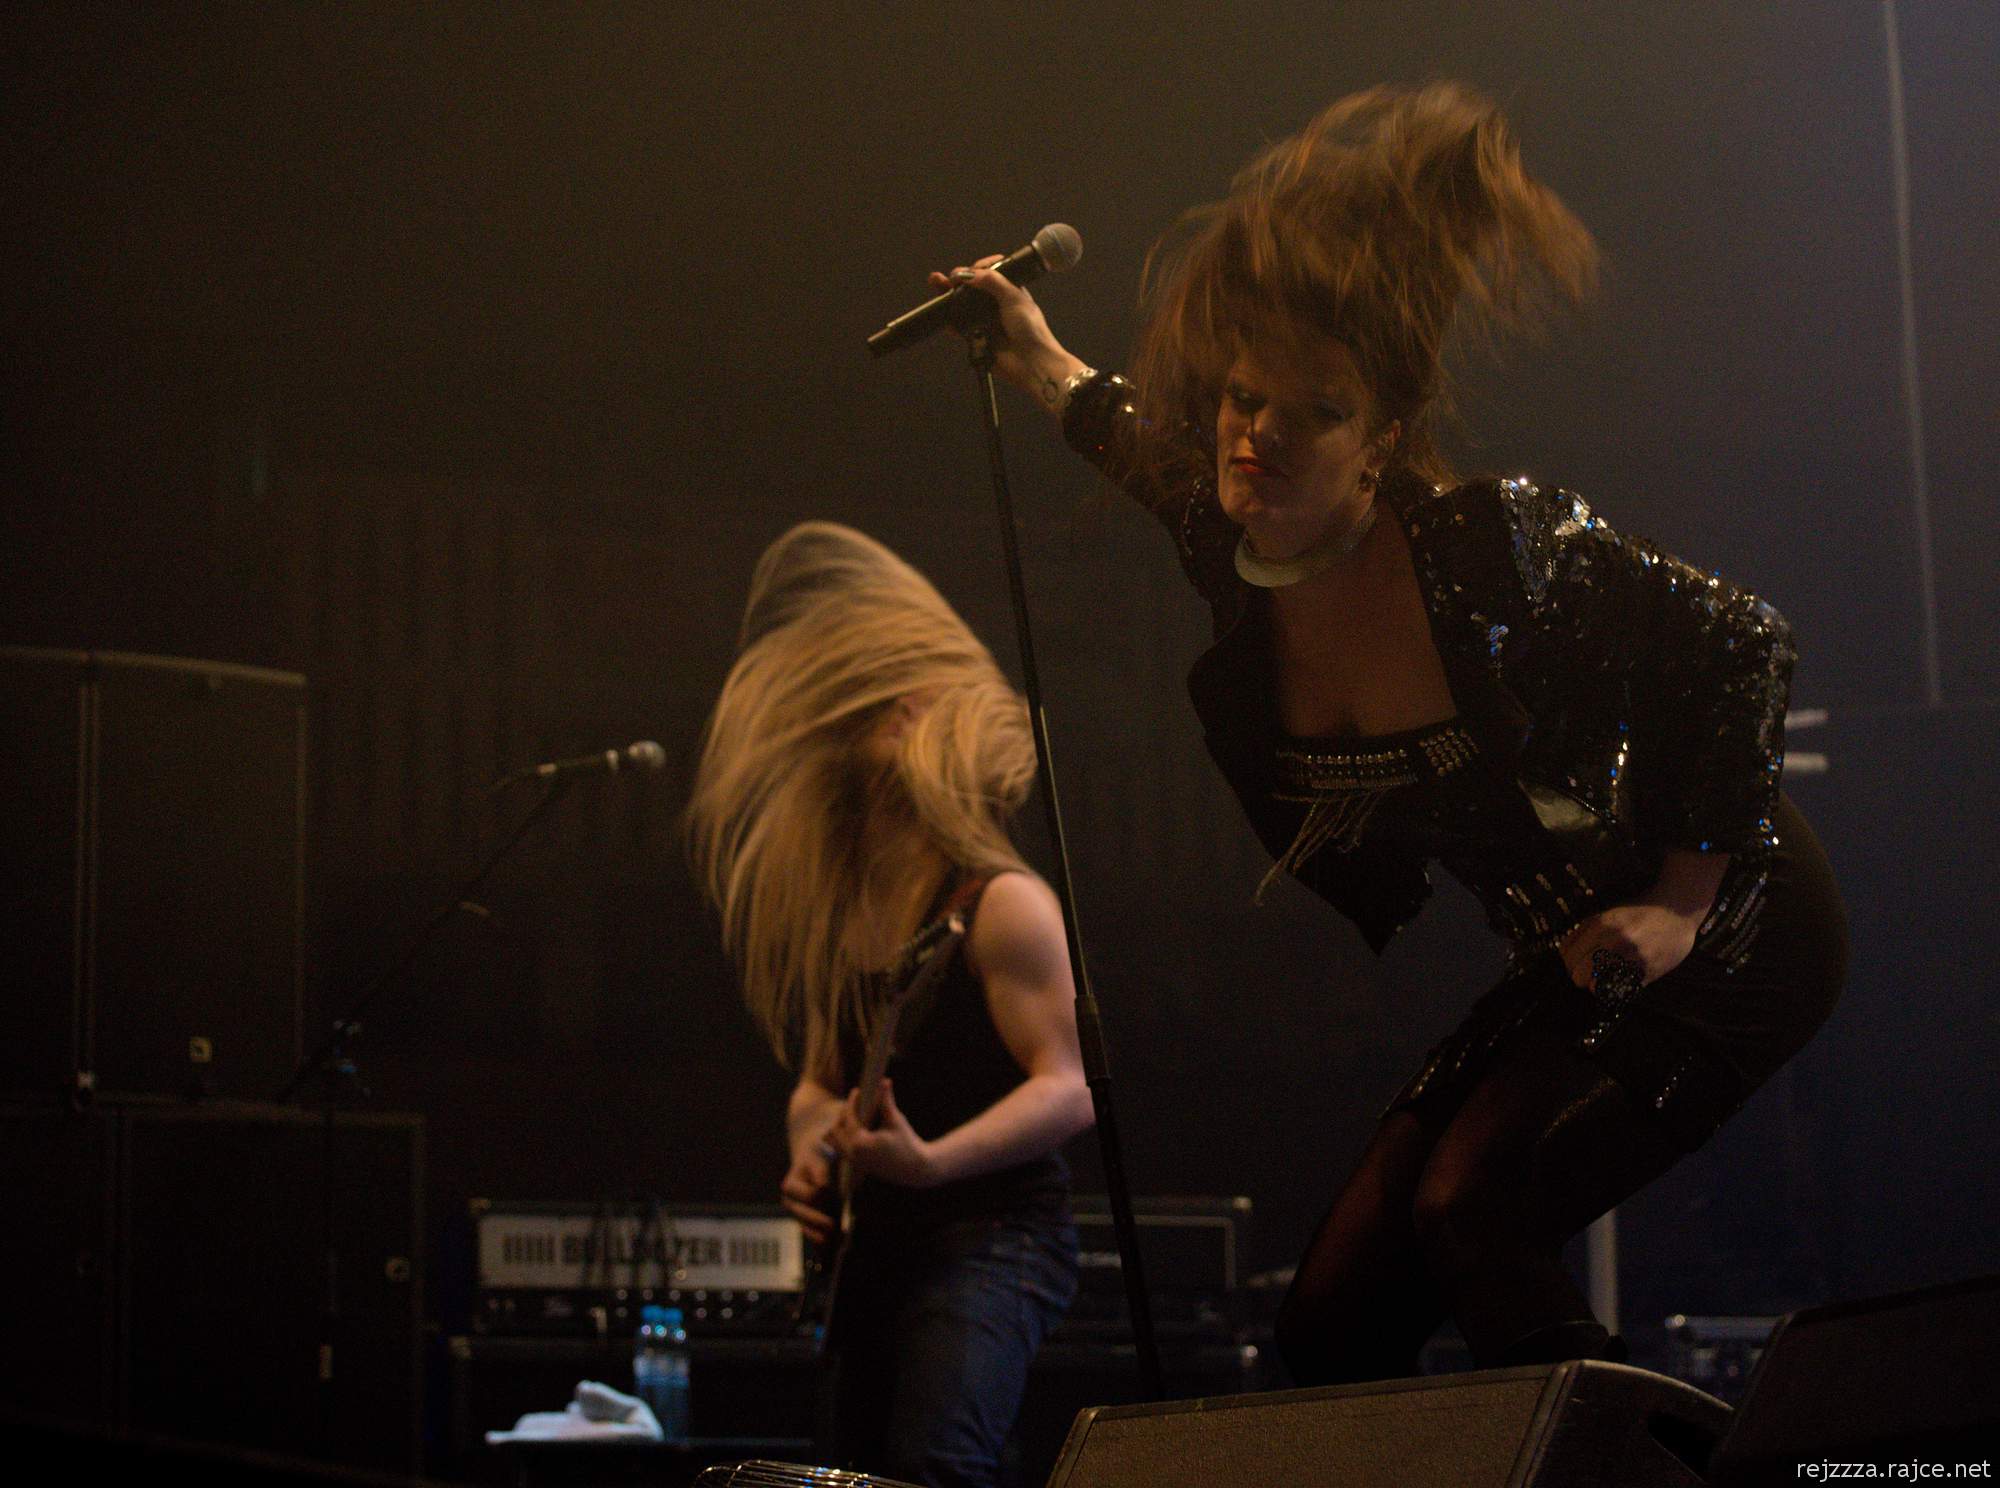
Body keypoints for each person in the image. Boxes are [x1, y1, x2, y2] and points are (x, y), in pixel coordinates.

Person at [933, 81, 1846, 1382]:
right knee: (1330, 1322)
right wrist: (1027, 344)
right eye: (1242, 400)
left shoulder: (1490, 548)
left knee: (1472, 1214)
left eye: (1313, 412)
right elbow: (1126, 433)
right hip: (1569, 951)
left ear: (1380, 444)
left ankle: (1637, 1464)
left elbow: (1743, 636)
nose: (1258, 436)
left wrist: (1679, 903)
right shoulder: (1233, 539)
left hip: (1738, 920)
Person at [686, 520, 1095, 1485]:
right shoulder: (847, 914)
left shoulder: (1002, 904)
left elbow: (1069, 1089)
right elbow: (819, 1083)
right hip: (882, 1242)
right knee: (861, 1474)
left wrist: (932, 1162)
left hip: (995, 1236)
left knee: (937, 1463)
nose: (888, 711)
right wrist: (812, 1147)